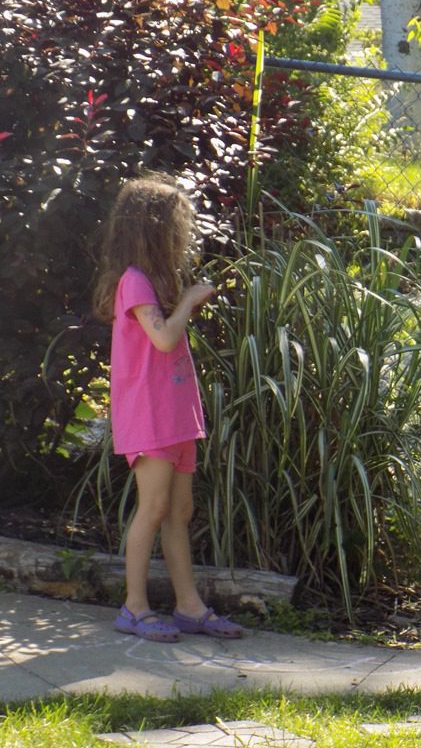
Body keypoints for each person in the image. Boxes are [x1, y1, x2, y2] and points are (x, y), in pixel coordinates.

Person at [92, 174, 243, 643]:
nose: (184, 236)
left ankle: (189, 606)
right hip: (150, 416)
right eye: (178, 226)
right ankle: (134, 608)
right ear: (153, 229)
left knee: (180, 510)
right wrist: (192, 300)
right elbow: (163, 339)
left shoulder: (155, 282)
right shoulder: (134, 282)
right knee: (154, 507)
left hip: (176, 415)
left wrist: (184, 297)